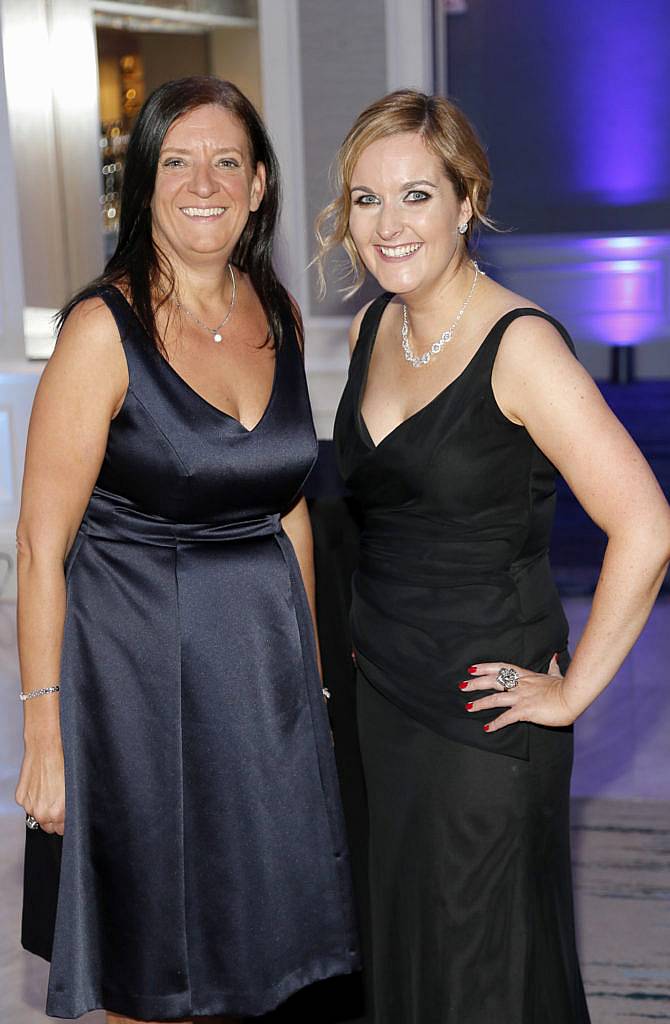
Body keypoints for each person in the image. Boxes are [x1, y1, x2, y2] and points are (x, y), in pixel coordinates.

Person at [315, 89, 670, 1024]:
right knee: (406, 945)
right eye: (365, 199)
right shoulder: (369, 331)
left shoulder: (523, 347)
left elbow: (646, 525)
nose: (388, 225)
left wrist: (571, 691)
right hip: (382, 700)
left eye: (417, 195)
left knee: (484, 963)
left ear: (467, 201)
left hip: (484, 709)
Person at [15, 75, 359, 1023]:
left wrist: (314, 680)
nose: (201, 181)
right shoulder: (101, 329)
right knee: (151, 958)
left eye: (226, 162)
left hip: (259, 676)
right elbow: (42, 546)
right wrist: (44, 738)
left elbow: (288, 509)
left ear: (257, 187)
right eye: (177, 161)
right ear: (143, 183)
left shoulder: (276, 313)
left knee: (260, 944)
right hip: (133, 686)